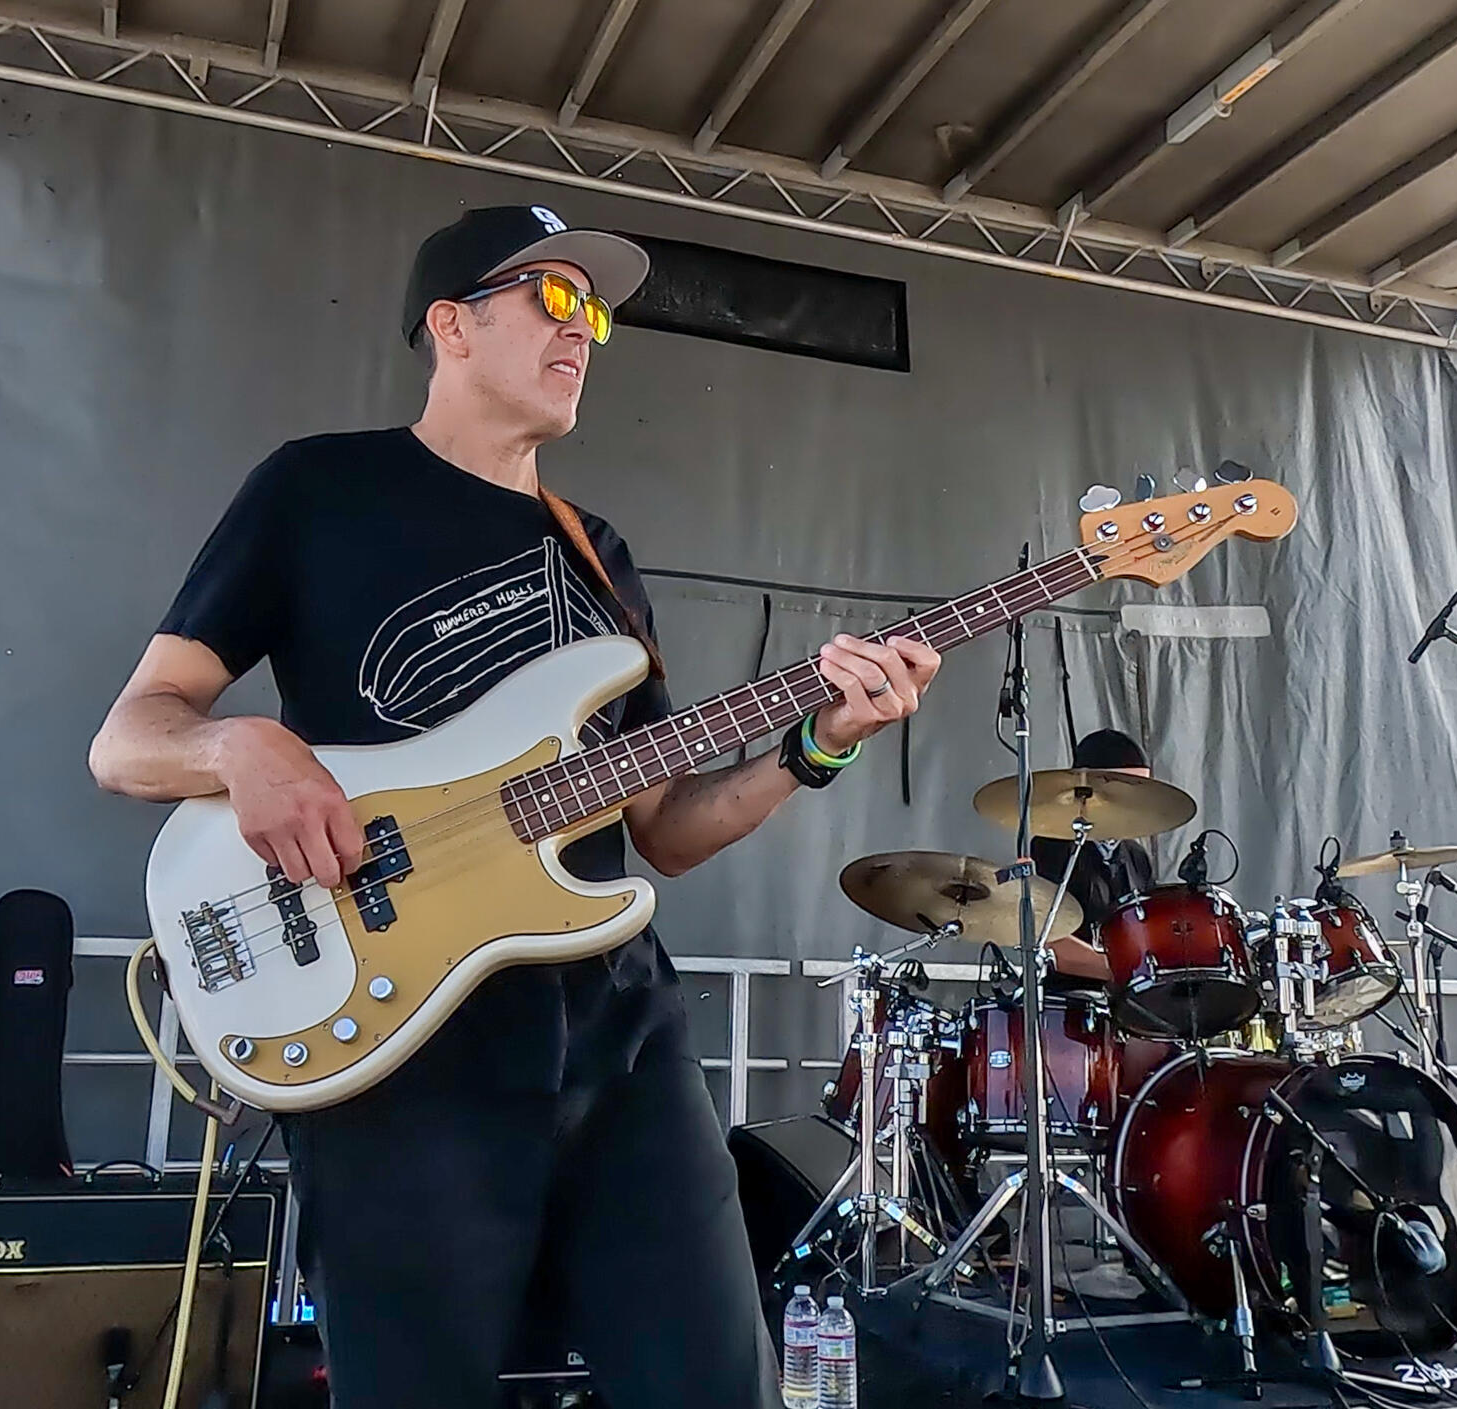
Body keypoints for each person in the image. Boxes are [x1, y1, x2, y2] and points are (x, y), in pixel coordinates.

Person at [87, 204, 942, 1409]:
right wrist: (242, 743)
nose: (585, 331)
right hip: (402, 1038)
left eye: (596, 312)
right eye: (554, 299)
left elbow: (665, 830)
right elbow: (130, 737)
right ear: (451, 324)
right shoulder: (319, 489)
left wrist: (819, 745)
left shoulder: (598, 554)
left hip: (621, 1030)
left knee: (717, 1385)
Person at [1032, 729, 1157, 985]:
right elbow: (1045, 937)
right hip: (1070, 1006)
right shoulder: (1051, 847)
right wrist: (1123, 970)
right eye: (1128, 790)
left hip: (1129, 1004)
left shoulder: (1136, 857)